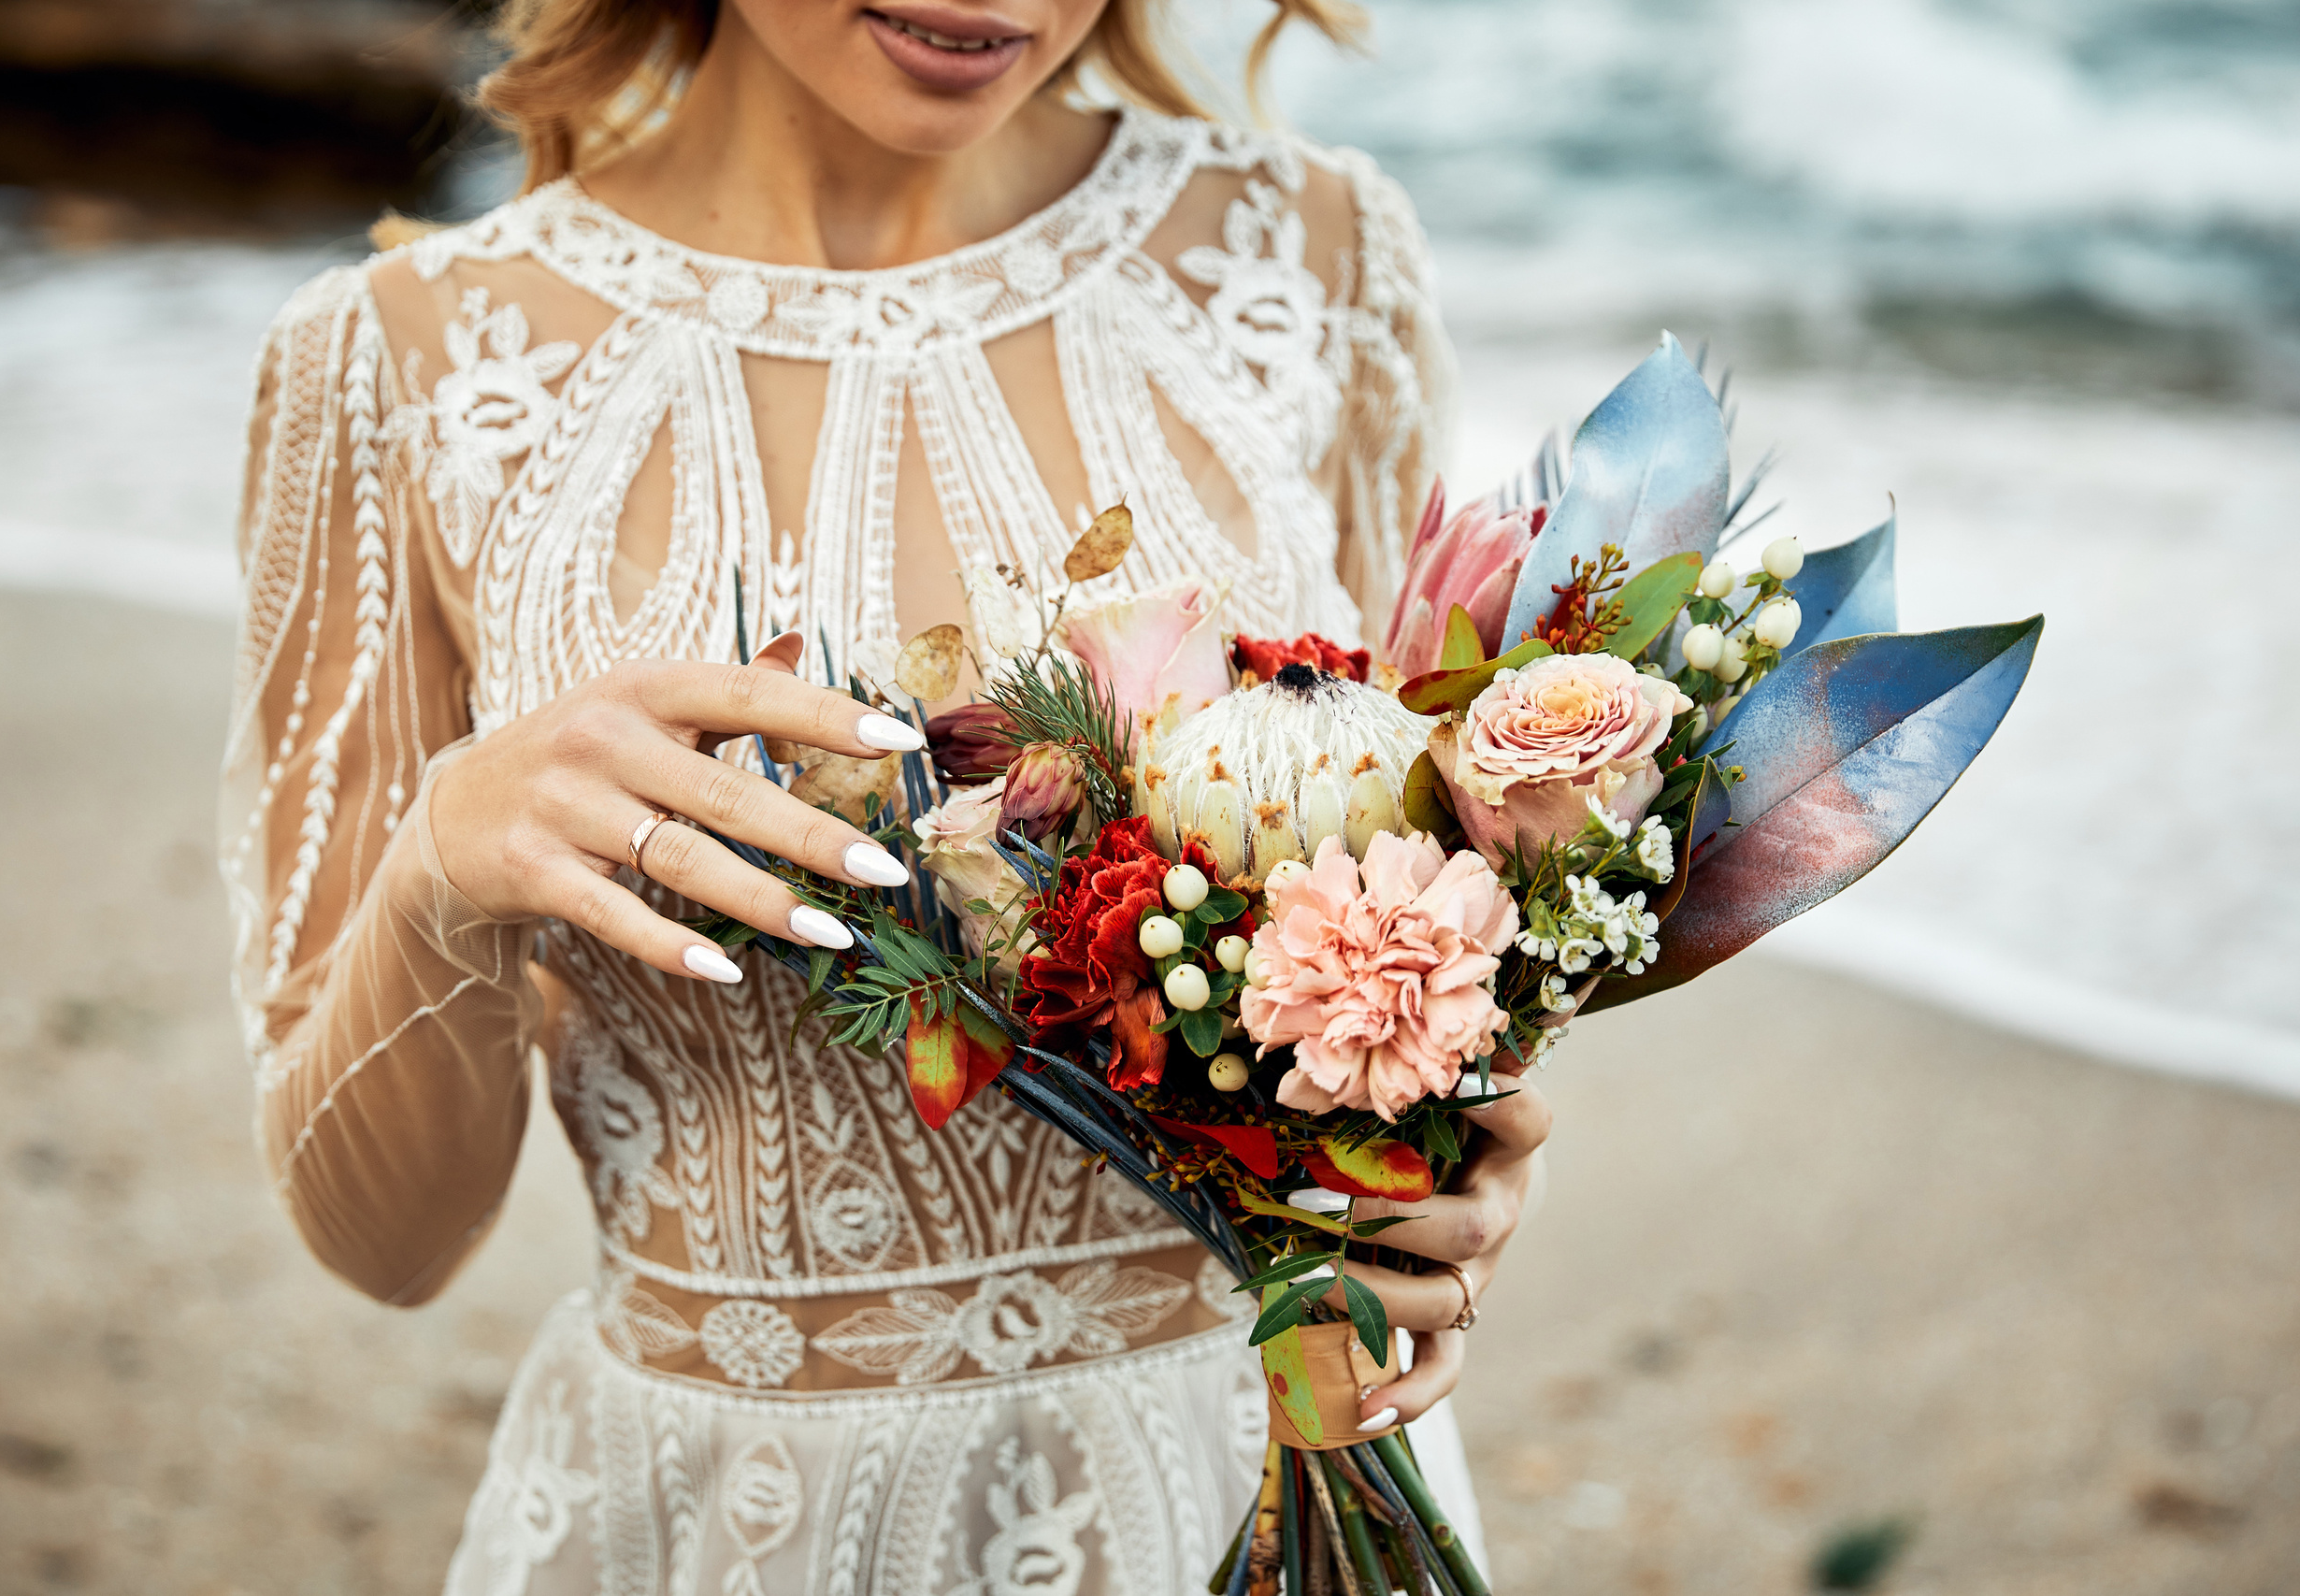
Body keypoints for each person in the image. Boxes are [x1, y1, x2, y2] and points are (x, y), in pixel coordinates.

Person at [223, 0, 1552, 1588]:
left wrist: (1454, 1160)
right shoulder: (399, 361)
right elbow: (384, 1245)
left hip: (1263, 1474)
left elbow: (1438, 882)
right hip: (736, 1525)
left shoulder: (1310, 255)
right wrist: (443, 861)